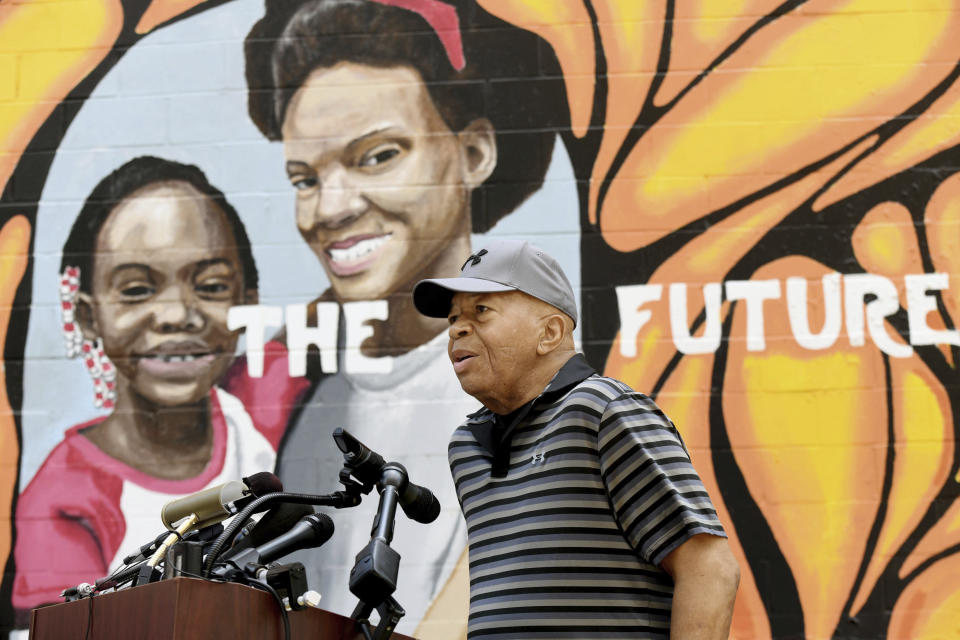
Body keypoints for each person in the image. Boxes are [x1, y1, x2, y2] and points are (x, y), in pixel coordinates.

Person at [238, 0, 568, 631]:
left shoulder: (529, 393)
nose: (328, 209)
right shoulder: (317, 410)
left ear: (473, 152)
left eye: (378, 156)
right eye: (304, 179)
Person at [11, 157, 301, 616]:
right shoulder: (64, 499)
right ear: (89, 316)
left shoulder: (261, 404)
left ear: (247, 302)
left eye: (210, 285)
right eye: (136, 290)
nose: (174, 314)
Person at [412, 238, 741, 638]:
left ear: (549, 333)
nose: (458, 329)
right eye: (452, 318)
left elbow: (709, 568)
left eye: (481, 311)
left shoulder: (604, 411)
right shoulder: (466, 446)